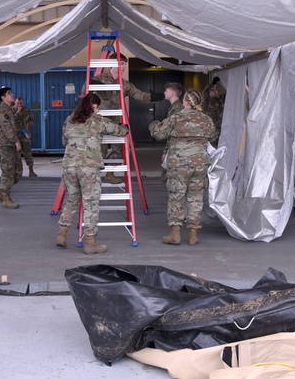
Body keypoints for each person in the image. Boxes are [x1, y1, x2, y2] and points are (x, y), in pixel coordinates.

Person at [57, 92, 129, 254]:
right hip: (89, 168)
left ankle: (62, 235)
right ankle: (90, 243)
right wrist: (126, 127)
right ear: (95, 106)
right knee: (90, 203)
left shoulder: (69, 119)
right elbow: (119, 131)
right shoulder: (99, 121)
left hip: (69, 166)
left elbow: (64, 141)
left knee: (72, 200)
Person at [149, 89, 217, 246]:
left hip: (179, 164)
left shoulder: (176, 117)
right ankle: (193, 235)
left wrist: (153, 124)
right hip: (200, 164)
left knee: (176, 197)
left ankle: (175, 234)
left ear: (186, 102)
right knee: (196, 198)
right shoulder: (205, 119)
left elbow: (159, 133)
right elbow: (213, 135)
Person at [90, 54, 159, 183]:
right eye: (120, 64)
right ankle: (94, 176)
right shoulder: (99, 79)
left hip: (116, 122)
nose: (123, 67)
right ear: (112, 64)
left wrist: (152, 97)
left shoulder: (125, 84)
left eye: (124, 64)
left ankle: (110, 173)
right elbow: (85, 91)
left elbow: (139, 95)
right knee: (99, 149)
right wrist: (92, 85)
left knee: (119, 150)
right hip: (100, 121)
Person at [0, 86, 22, 209]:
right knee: (8, 171)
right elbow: (6, 128)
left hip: (10, 144)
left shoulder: (9, 109)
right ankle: (6, 198)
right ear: (3, 97)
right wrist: (16, 141)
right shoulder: (2, 110)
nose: (12, 94)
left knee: (17, 171)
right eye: (9, 93)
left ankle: (1, 191)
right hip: (5, 144)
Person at [14, 96, 37, 177]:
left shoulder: (26, 109)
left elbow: (31, 119)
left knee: (28, 153)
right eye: (18, 103)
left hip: (24, 134)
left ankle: (31, 170)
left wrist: (29, 123)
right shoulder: (12, 110)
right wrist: (18, 111)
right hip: (15, 135)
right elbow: (12, 120)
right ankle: (18, 172)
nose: (19, 105)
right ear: (15, 103)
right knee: (17, 154)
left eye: (21, 103)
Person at [202, 76, 226, 145]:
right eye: (212, 90)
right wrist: (213, 83)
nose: (215, 90)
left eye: (215, 90)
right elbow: (205, 92)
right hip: (210, 130)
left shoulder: (220, 100)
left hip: (219, 129)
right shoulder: (206, 101)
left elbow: (229, 93)